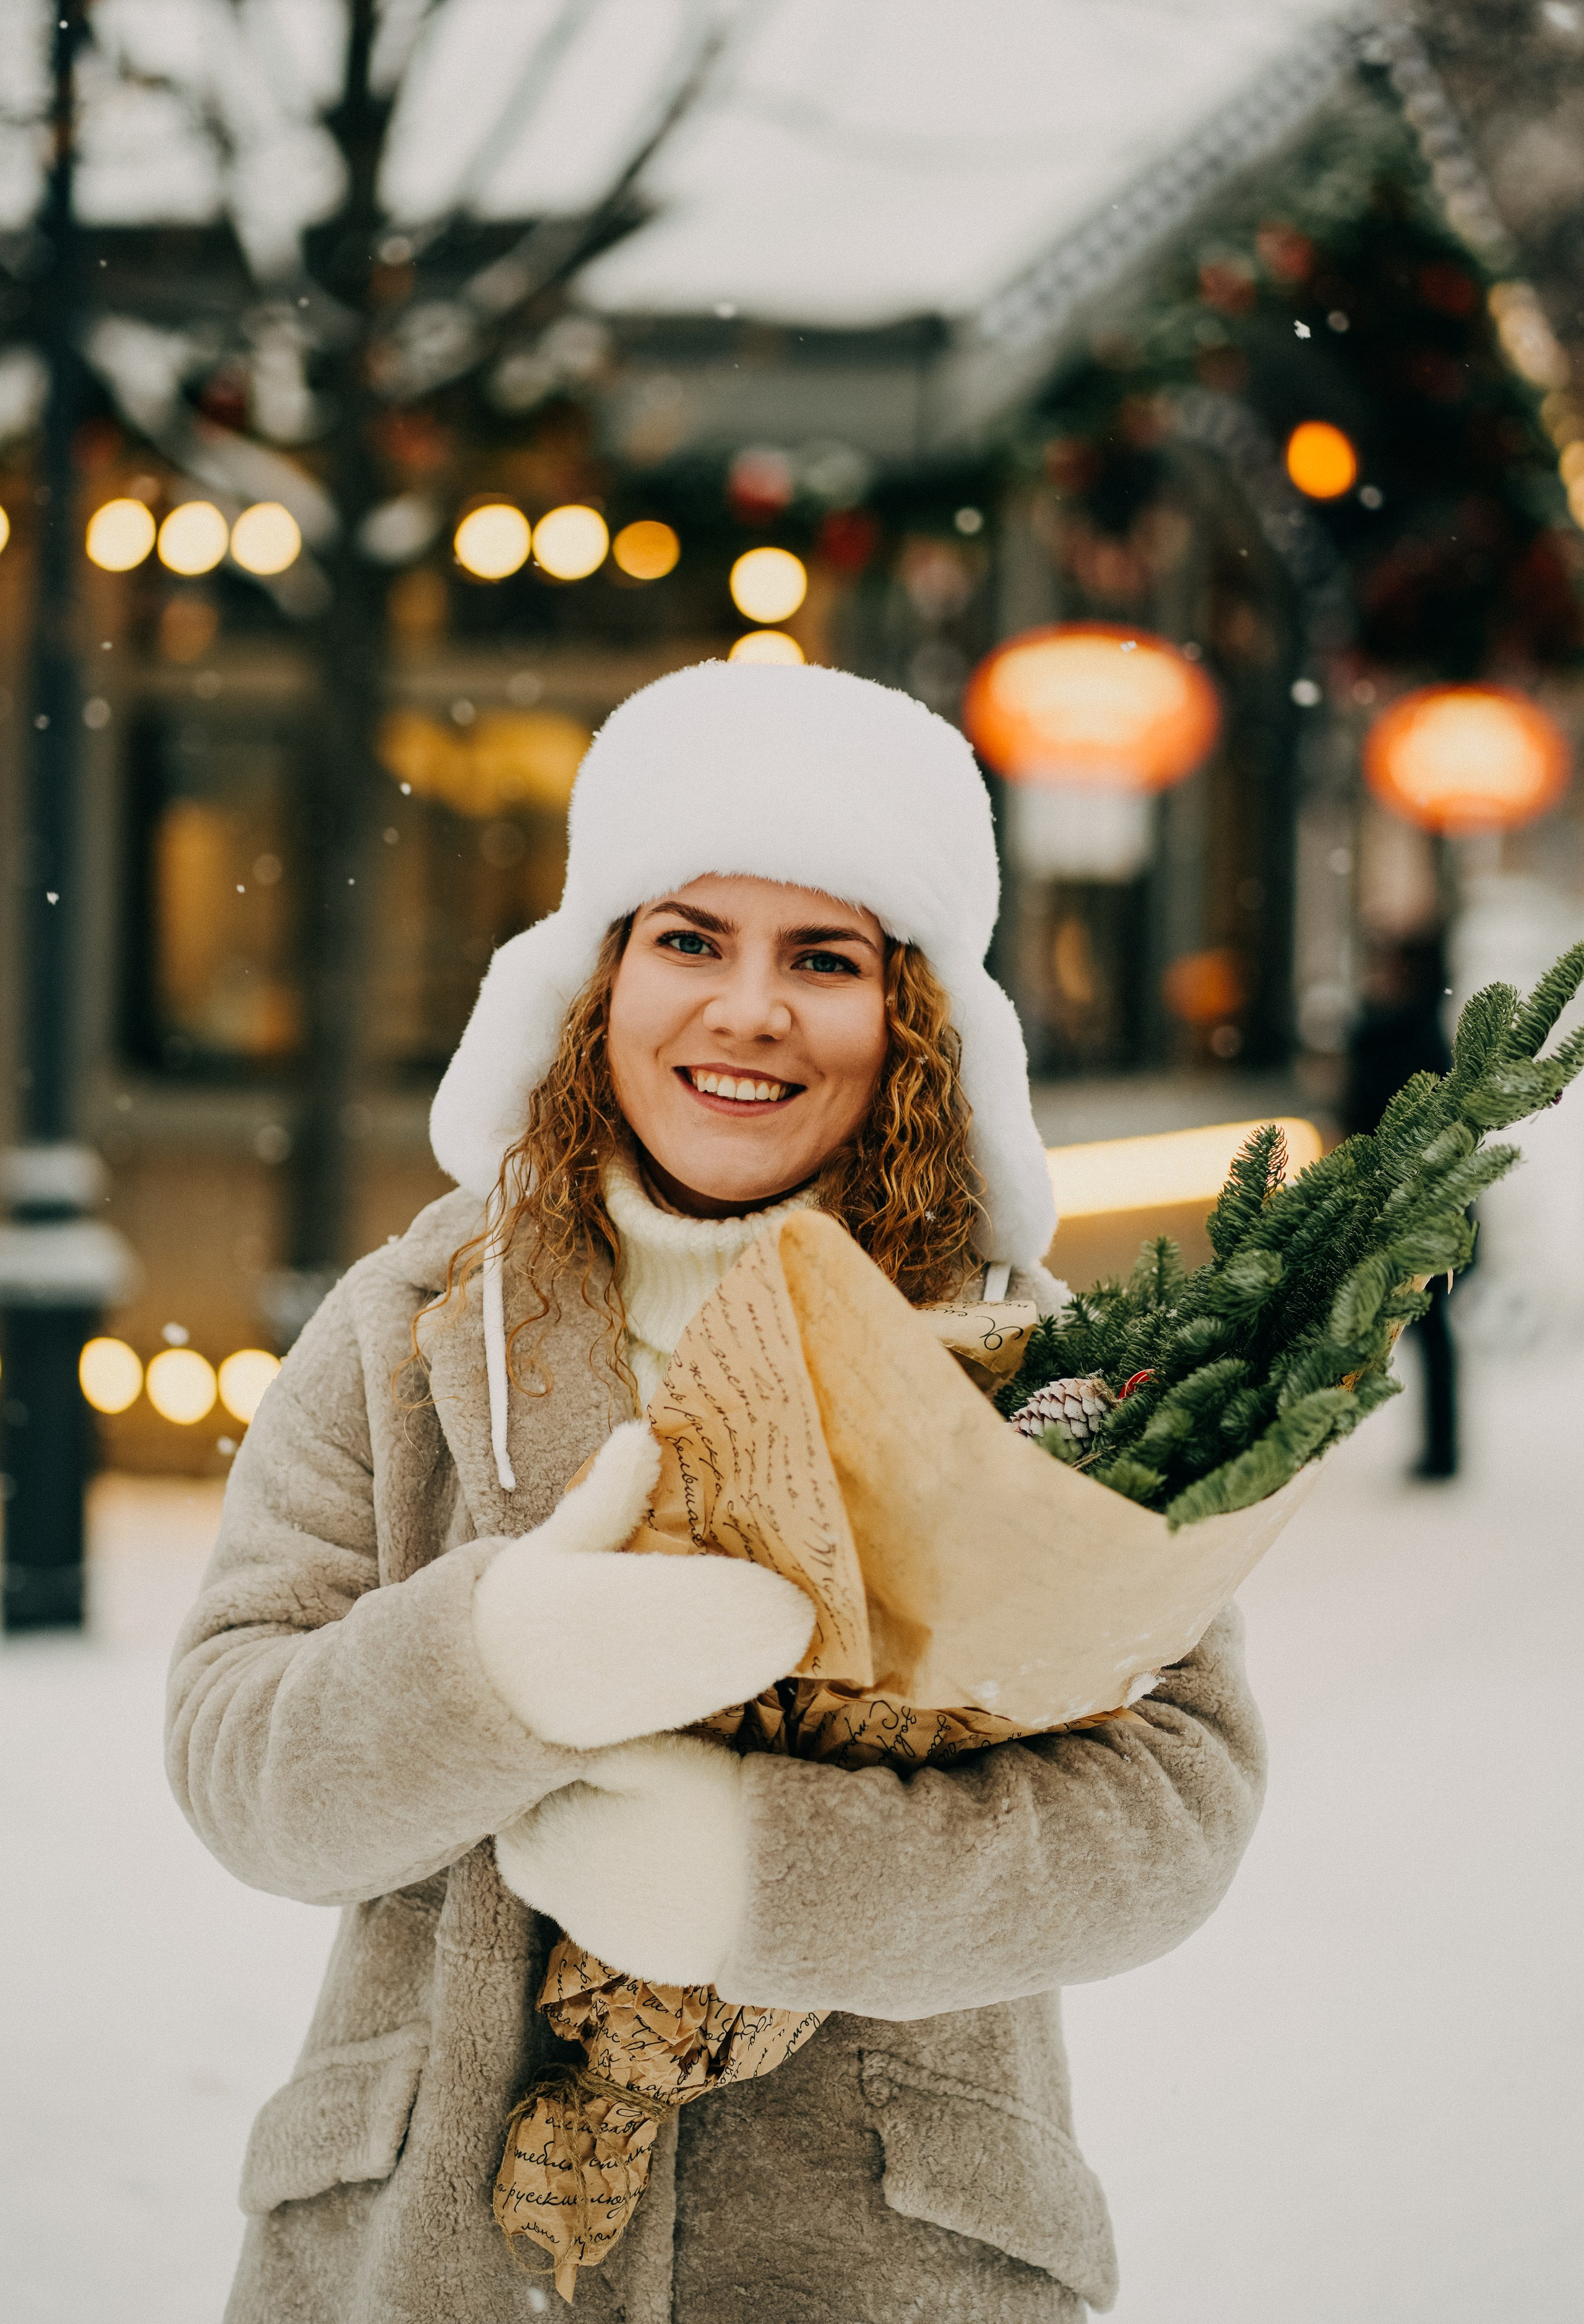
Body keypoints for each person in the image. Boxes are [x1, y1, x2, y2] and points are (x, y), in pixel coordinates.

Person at [167, 662, 1266, 2324]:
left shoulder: (1047, 1372)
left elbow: (1172, 1804)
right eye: (690, 939)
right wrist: (501, 1667)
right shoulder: (408, 1329)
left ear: (913, 1017)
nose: (746, 1011)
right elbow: (241, 1762)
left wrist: (773, 1878)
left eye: (822, 959)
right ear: (597, 978)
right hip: (429, 2266)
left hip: (884, 2264)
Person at [1342, 927, 1459, 1479]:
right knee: (1428, 1331)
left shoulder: (1400, 1035)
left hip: (1412, 1208)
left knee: (1426, 1327)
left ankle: (1441, 1448)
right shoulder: (1413, 1031)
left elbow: (1379, 1115)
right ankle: (1441, 1446)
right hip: (1414, 1206)